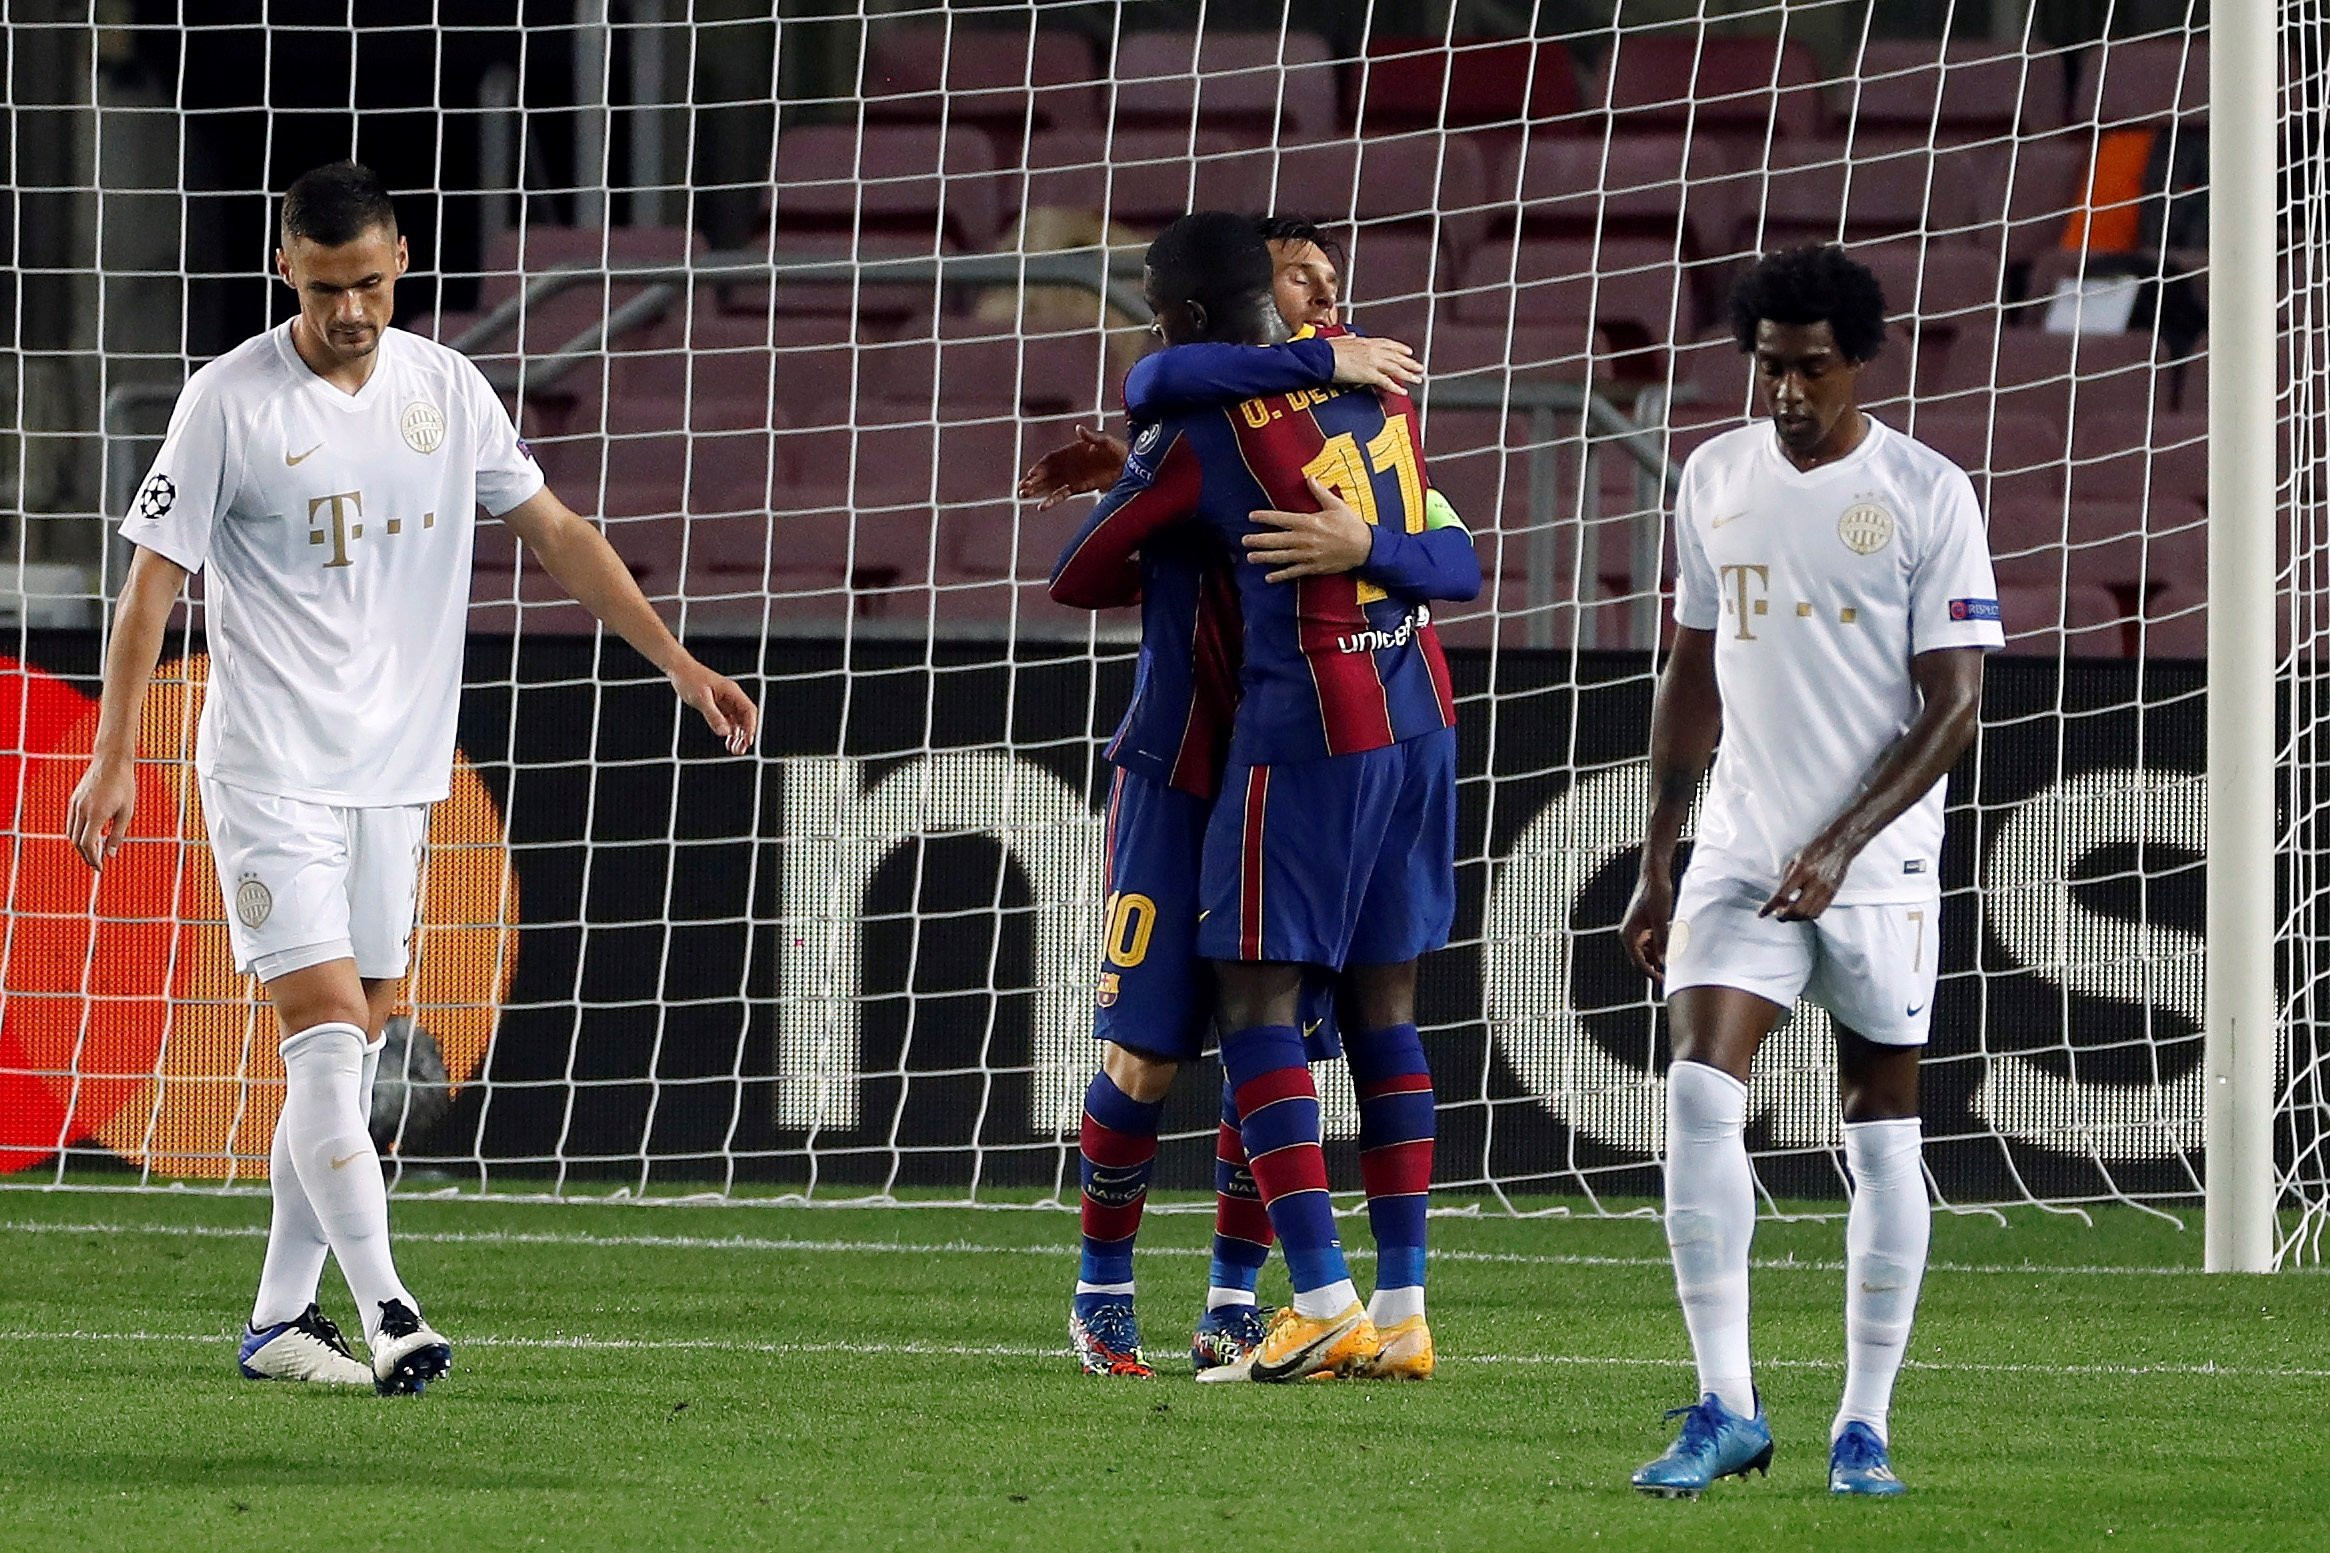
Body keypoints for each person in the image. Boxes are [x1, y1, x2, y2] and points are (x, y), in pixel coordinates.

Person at [65, 160, 758, 1395]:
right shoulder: (228, 402)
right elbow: (151, 585)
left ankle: (280, 1320)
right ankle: (388, 1307)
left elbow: (556, 533)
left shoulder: (447, 387)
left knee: (361, 1033)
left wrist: (679, 662)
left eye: (373, 284)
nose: (352, 312)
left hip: (398, 775)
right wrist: (116, 754)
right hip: (270, 768)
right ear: (286, 268)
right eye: (329, 287)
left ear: (400, 264)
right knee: (329, 1042)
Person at [1051, 212, 1478, 1383]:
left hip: (1298, 744)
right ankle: (1101, 1294)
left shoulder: (1364, 405)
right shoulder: (1224, 410)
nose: (1324, 301)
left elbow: (1455, 559)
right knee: (1146, 1046)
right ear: (1254, 301)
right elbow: (1090, 554)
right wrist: (1166, 516)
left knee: (1273, 1022)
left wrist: (1355, 544)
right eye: (1301, 279)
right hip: (1187, 760)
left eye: (1334, 286)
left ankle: (1242, 1298)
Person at [1619, 245, 2001, 1496]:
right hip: (1738, 843)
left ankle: (1862, 1423)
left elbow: (1952, 710)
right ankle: (1724, 1402)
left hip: (1876, 861)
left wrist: (1839, 844)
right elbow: (1687, 668)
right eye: (1768, 366)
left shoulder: (1926, 493)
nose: (1785, 391)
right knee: (1693, 1090)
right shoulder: (1712, 474)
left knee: (1880, 1131)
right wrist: (1659, 850)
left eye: (1810, 369)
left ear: (1858, 361)